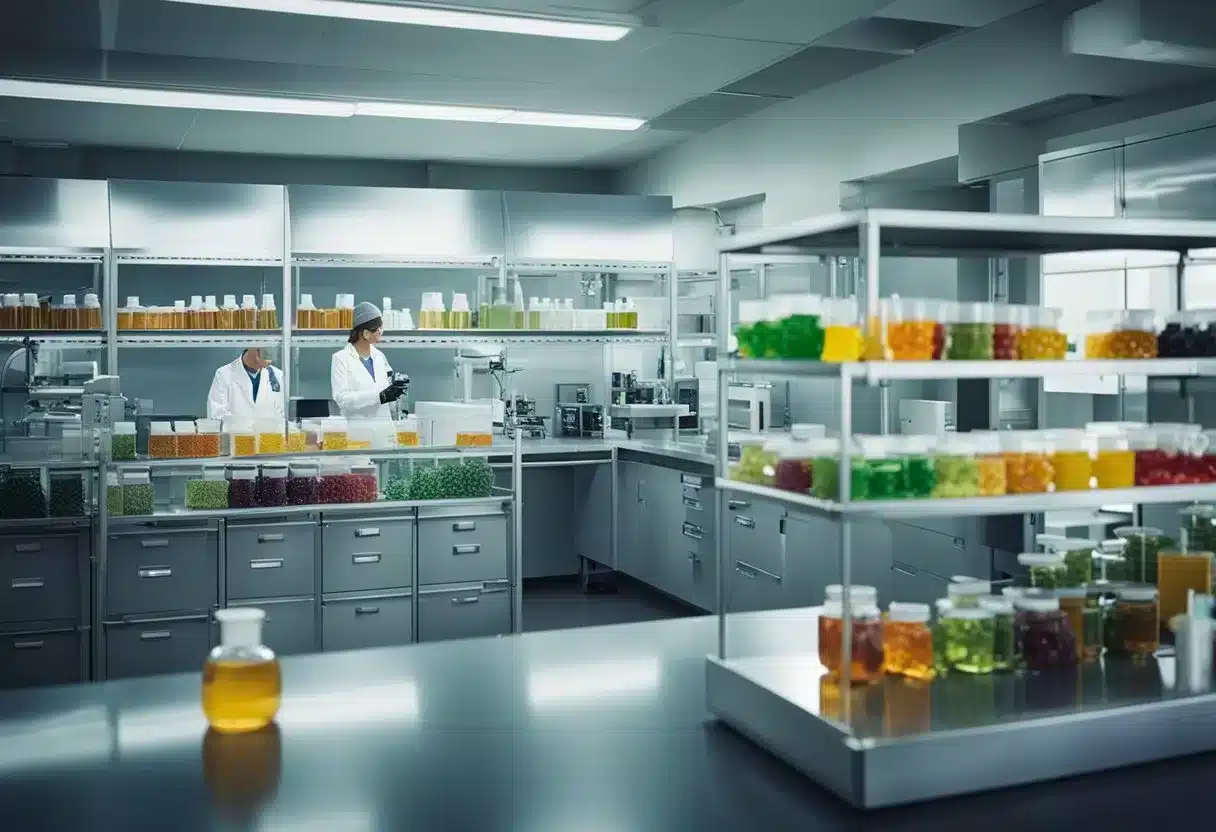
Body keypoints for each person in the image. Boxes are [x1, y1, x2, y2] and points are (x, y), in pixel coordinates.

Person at [330, 302, 405, 420]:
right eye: (378, 328)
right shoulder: (341, 359)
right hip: (359, 432)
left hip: (384, 430)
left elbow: (388, 382)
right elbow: (342, 399)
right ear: (365, 333)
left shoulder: (379, 356)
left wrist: (397, 385)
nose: (381, 331)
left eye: (381, 327)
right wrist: (379, 397)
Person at [206, 348, 286, 423]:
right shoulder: (224, 374)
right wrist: (243, 427)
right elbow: (216, 415)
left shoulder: (278, 375)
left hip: (268, 437)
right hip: (234, 436)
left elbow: (282, 416)